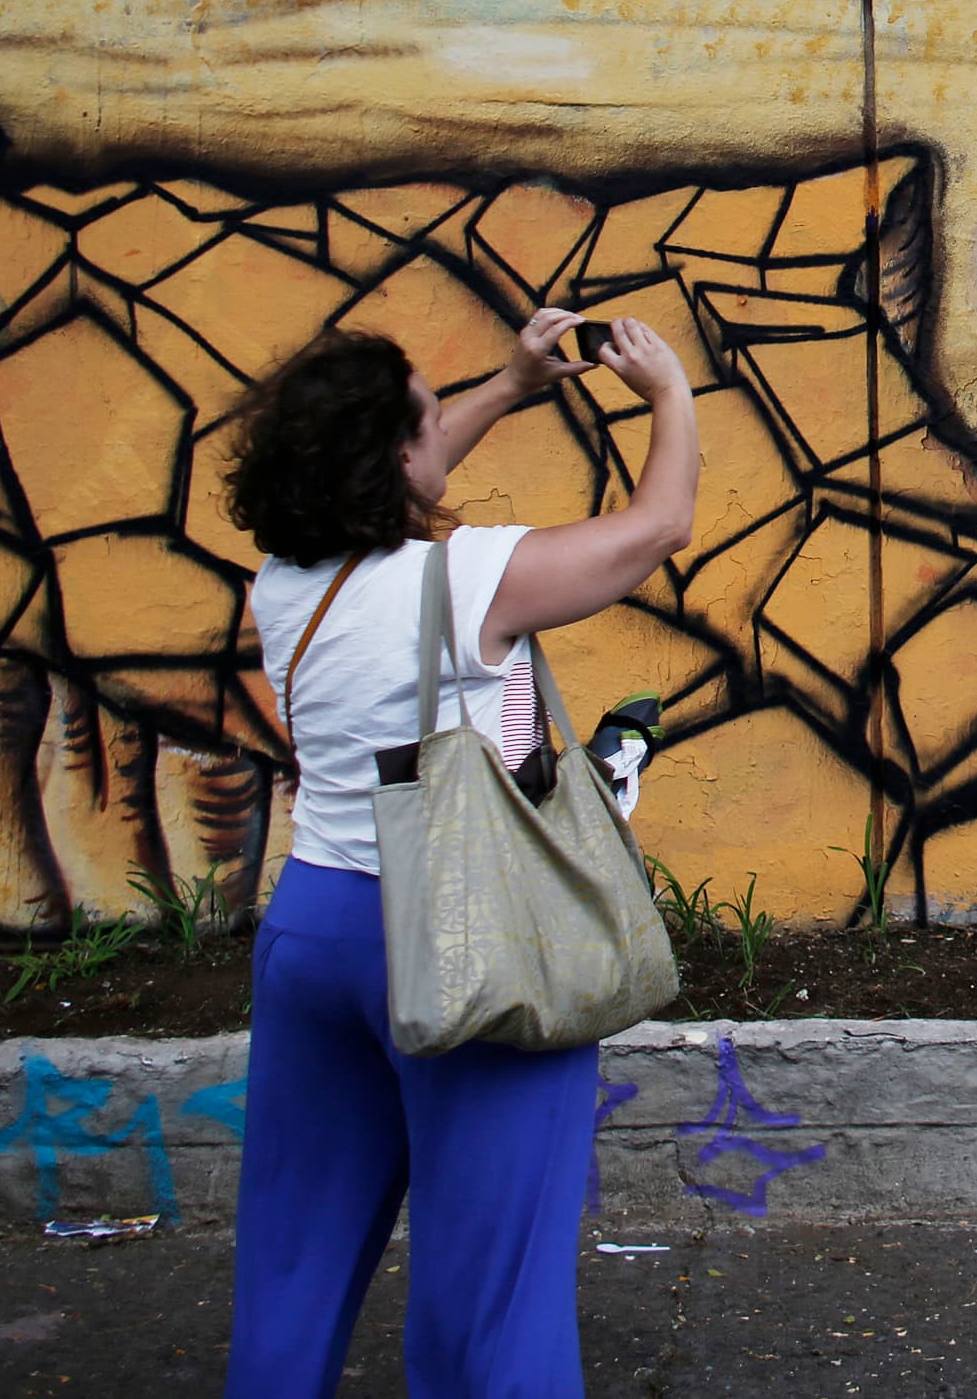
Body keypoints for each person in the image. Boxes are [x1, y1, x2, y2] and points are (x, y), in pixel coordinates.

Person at [220, 307, 701, 1399]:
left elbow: (406, 468)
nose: (443, 431)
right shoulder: (473, 578)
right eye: (429, 420)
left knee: (295, 1261)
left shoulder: (284, 583)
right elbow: (657, 526)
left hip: (315, 931)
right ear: (395, 457)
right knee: (492, 1289)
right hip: (464, 933)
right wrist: (671, 393)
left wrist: (514, 383)